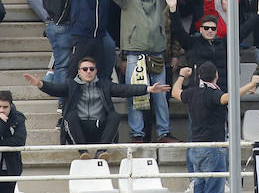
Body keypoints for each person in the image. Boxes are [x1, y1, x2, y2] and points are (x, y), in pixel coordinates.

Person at [96, 0, 201, 143]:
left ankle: (163, 133)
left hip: (157, 54)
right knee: (136, 96)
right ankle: (137, 134)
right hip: (135, 56)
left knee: (161, 97)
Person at [24, 55, 170, 155]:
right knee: (70, 116)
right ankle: (83, 152)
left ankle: (101, 151)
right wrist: (40, 84)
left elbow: (124, 89)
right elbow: (56, 89)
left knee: (114, 116)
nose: (88, 72)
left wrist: (148, 89)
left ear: (96, 71)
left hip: (99, 129)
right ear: (79, 71)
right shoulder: (71, 85)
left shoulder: (104, 85)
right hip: (79, 130)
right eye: (85, 69)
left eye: (91, 69)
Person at [172, 62, 257, 193]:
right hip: (213, 148)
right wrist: (250, 84)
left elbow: (175, 92)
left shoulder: (192, 92)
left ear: (199, 76)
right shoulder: (213, 93)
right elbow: (227, 98)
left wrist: (181, 76)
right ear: (216, 76)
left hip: (195, 149)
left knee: (199, 190)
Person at [0, 89, 24, 193]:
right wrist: (2, 123)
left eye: (5, 107)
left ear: (11, 106)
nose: (1, 110)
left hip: (10, 167)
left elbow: (19, 141)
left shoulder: (18, 118)